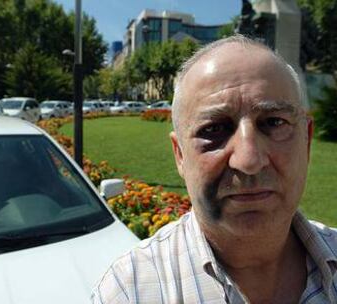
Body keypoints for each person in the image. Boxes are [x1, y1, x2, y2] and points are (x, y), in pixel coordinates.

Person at [91, 35, 337, 303]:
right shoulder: (129, 291)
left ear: (307, 140)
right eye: (213, 129)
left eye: (274, 122)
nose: (248, 160)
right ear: (180, 155)